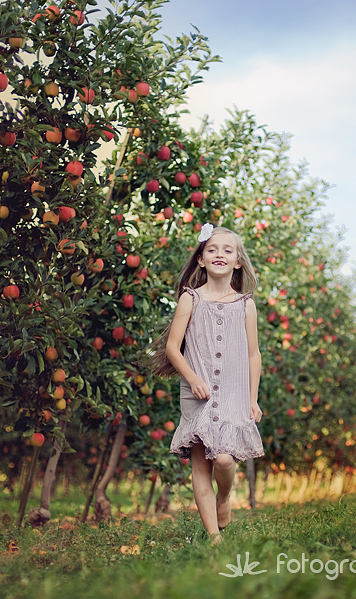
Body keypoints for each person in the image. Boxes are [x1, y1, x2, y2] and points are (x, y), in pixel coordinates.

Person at [148, 222, 264, 542]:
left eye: (227, 250)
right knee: (200, 464)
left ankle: (224, 498)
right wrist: (192, 377)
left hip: (233, 391)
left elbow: (254, 355)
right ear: (201, 259)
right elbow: (173, 347)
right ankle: (214, 537)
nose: (219, 254)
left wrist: (252, 399)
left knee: (224, 458)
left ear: (237, 261)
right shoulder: (190, 299)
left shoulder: (246, 305)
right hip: (196, 390)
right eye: (211, 249)